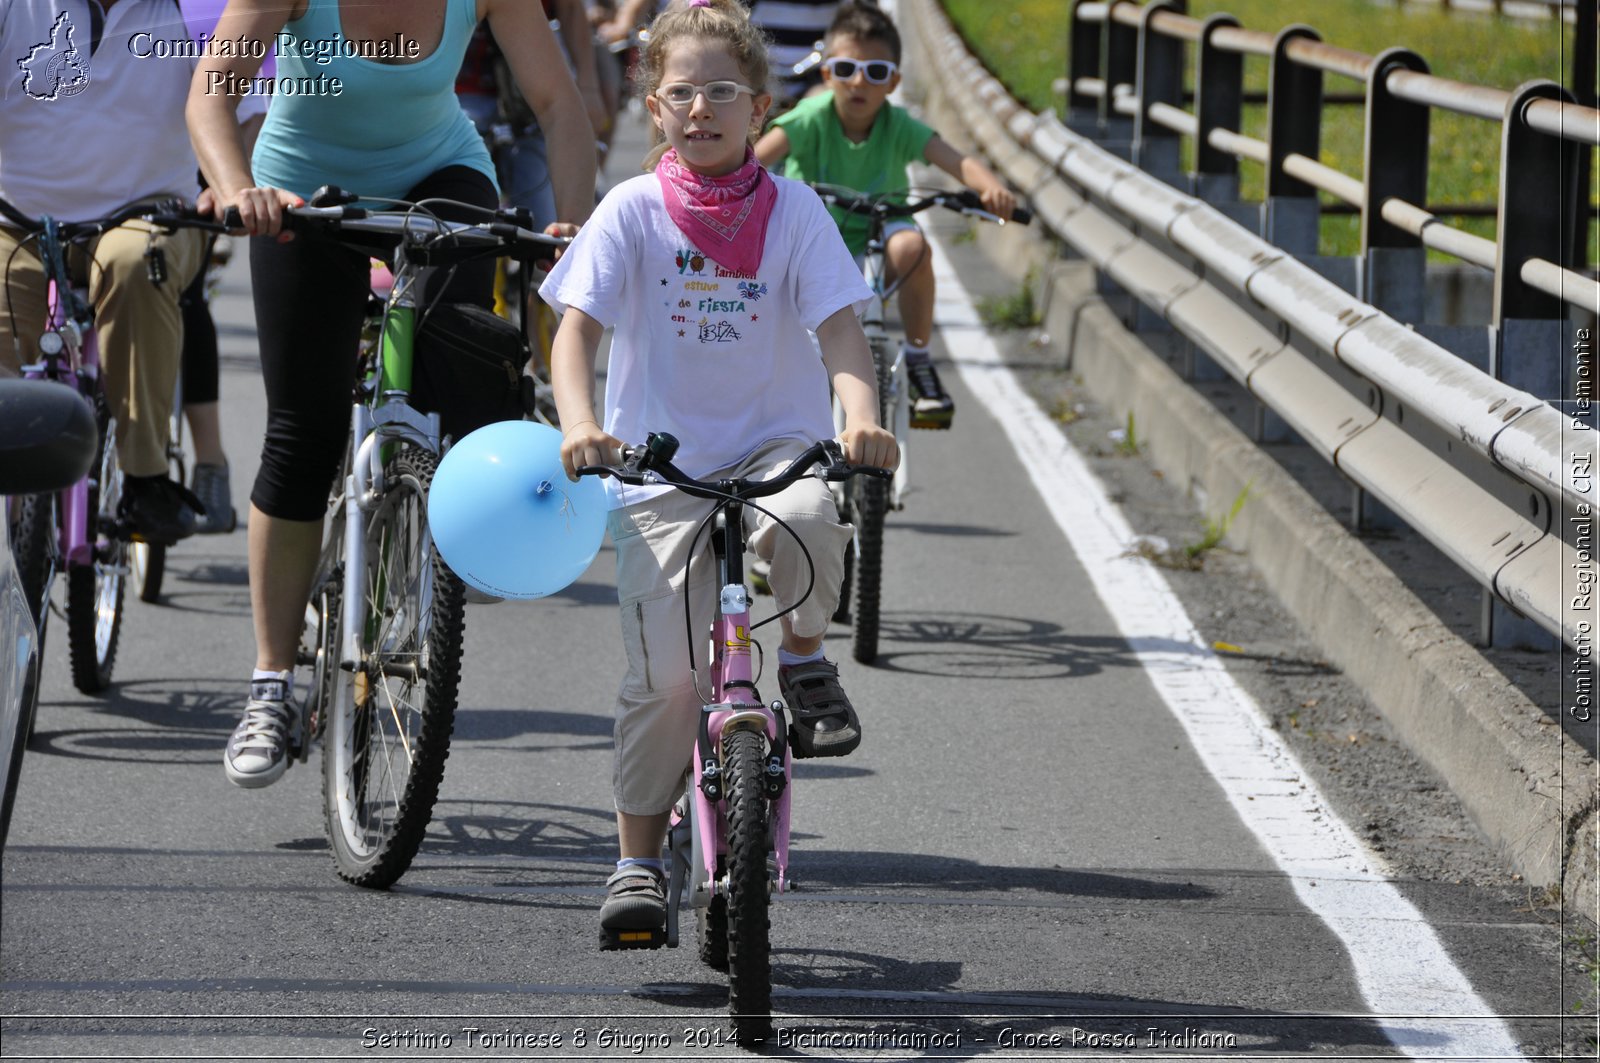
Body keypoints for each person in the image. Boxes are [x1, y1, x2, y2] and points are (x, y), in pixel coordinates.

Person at [544, 0, 897, 939]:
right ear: (653, 106)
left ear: (760, 103)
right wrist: (579, 422)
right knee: (664, 684)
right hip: (658, 466)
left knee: (817, 514)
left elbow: (841, 334)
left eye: (722, 93)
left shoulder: (796, 212)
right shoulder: (630, 210)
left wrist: (859, 418)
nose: (702, 109)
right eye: (681, 93)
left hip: (773, 448)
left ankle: (808, 658)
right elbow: (573, 334)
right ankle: (634, 859)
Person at [189, 0, 597, 789]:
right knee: (302, 432)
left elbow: (558, 101)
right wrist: (240, 188)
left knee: (462, 384)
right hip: (302, 187)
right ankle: (271, 682)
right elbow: (213, 89)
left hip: (440, 175)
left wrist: (570, 227)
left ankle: (453, 514)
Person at [1, 0, 218, 546]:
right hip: (17, 220)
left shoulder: (198, 7)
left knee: (134, 266)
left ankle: (145, 477)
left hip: (148, 215)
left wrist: (233, 187)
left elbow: (243, 109)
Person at [755, 0, 1015, 429]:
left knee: (912, 244)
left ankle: (918, 360)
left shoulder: (899, 125)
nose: (859, 82)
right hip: (815, 241)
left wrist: (991, 189)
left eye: (875, 73)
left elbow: (955, 160)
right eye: (845, 70)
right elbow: (757, 160)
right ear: (827, 75)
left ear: (893, 82)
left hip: (881, 232)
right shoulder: (809, 118)